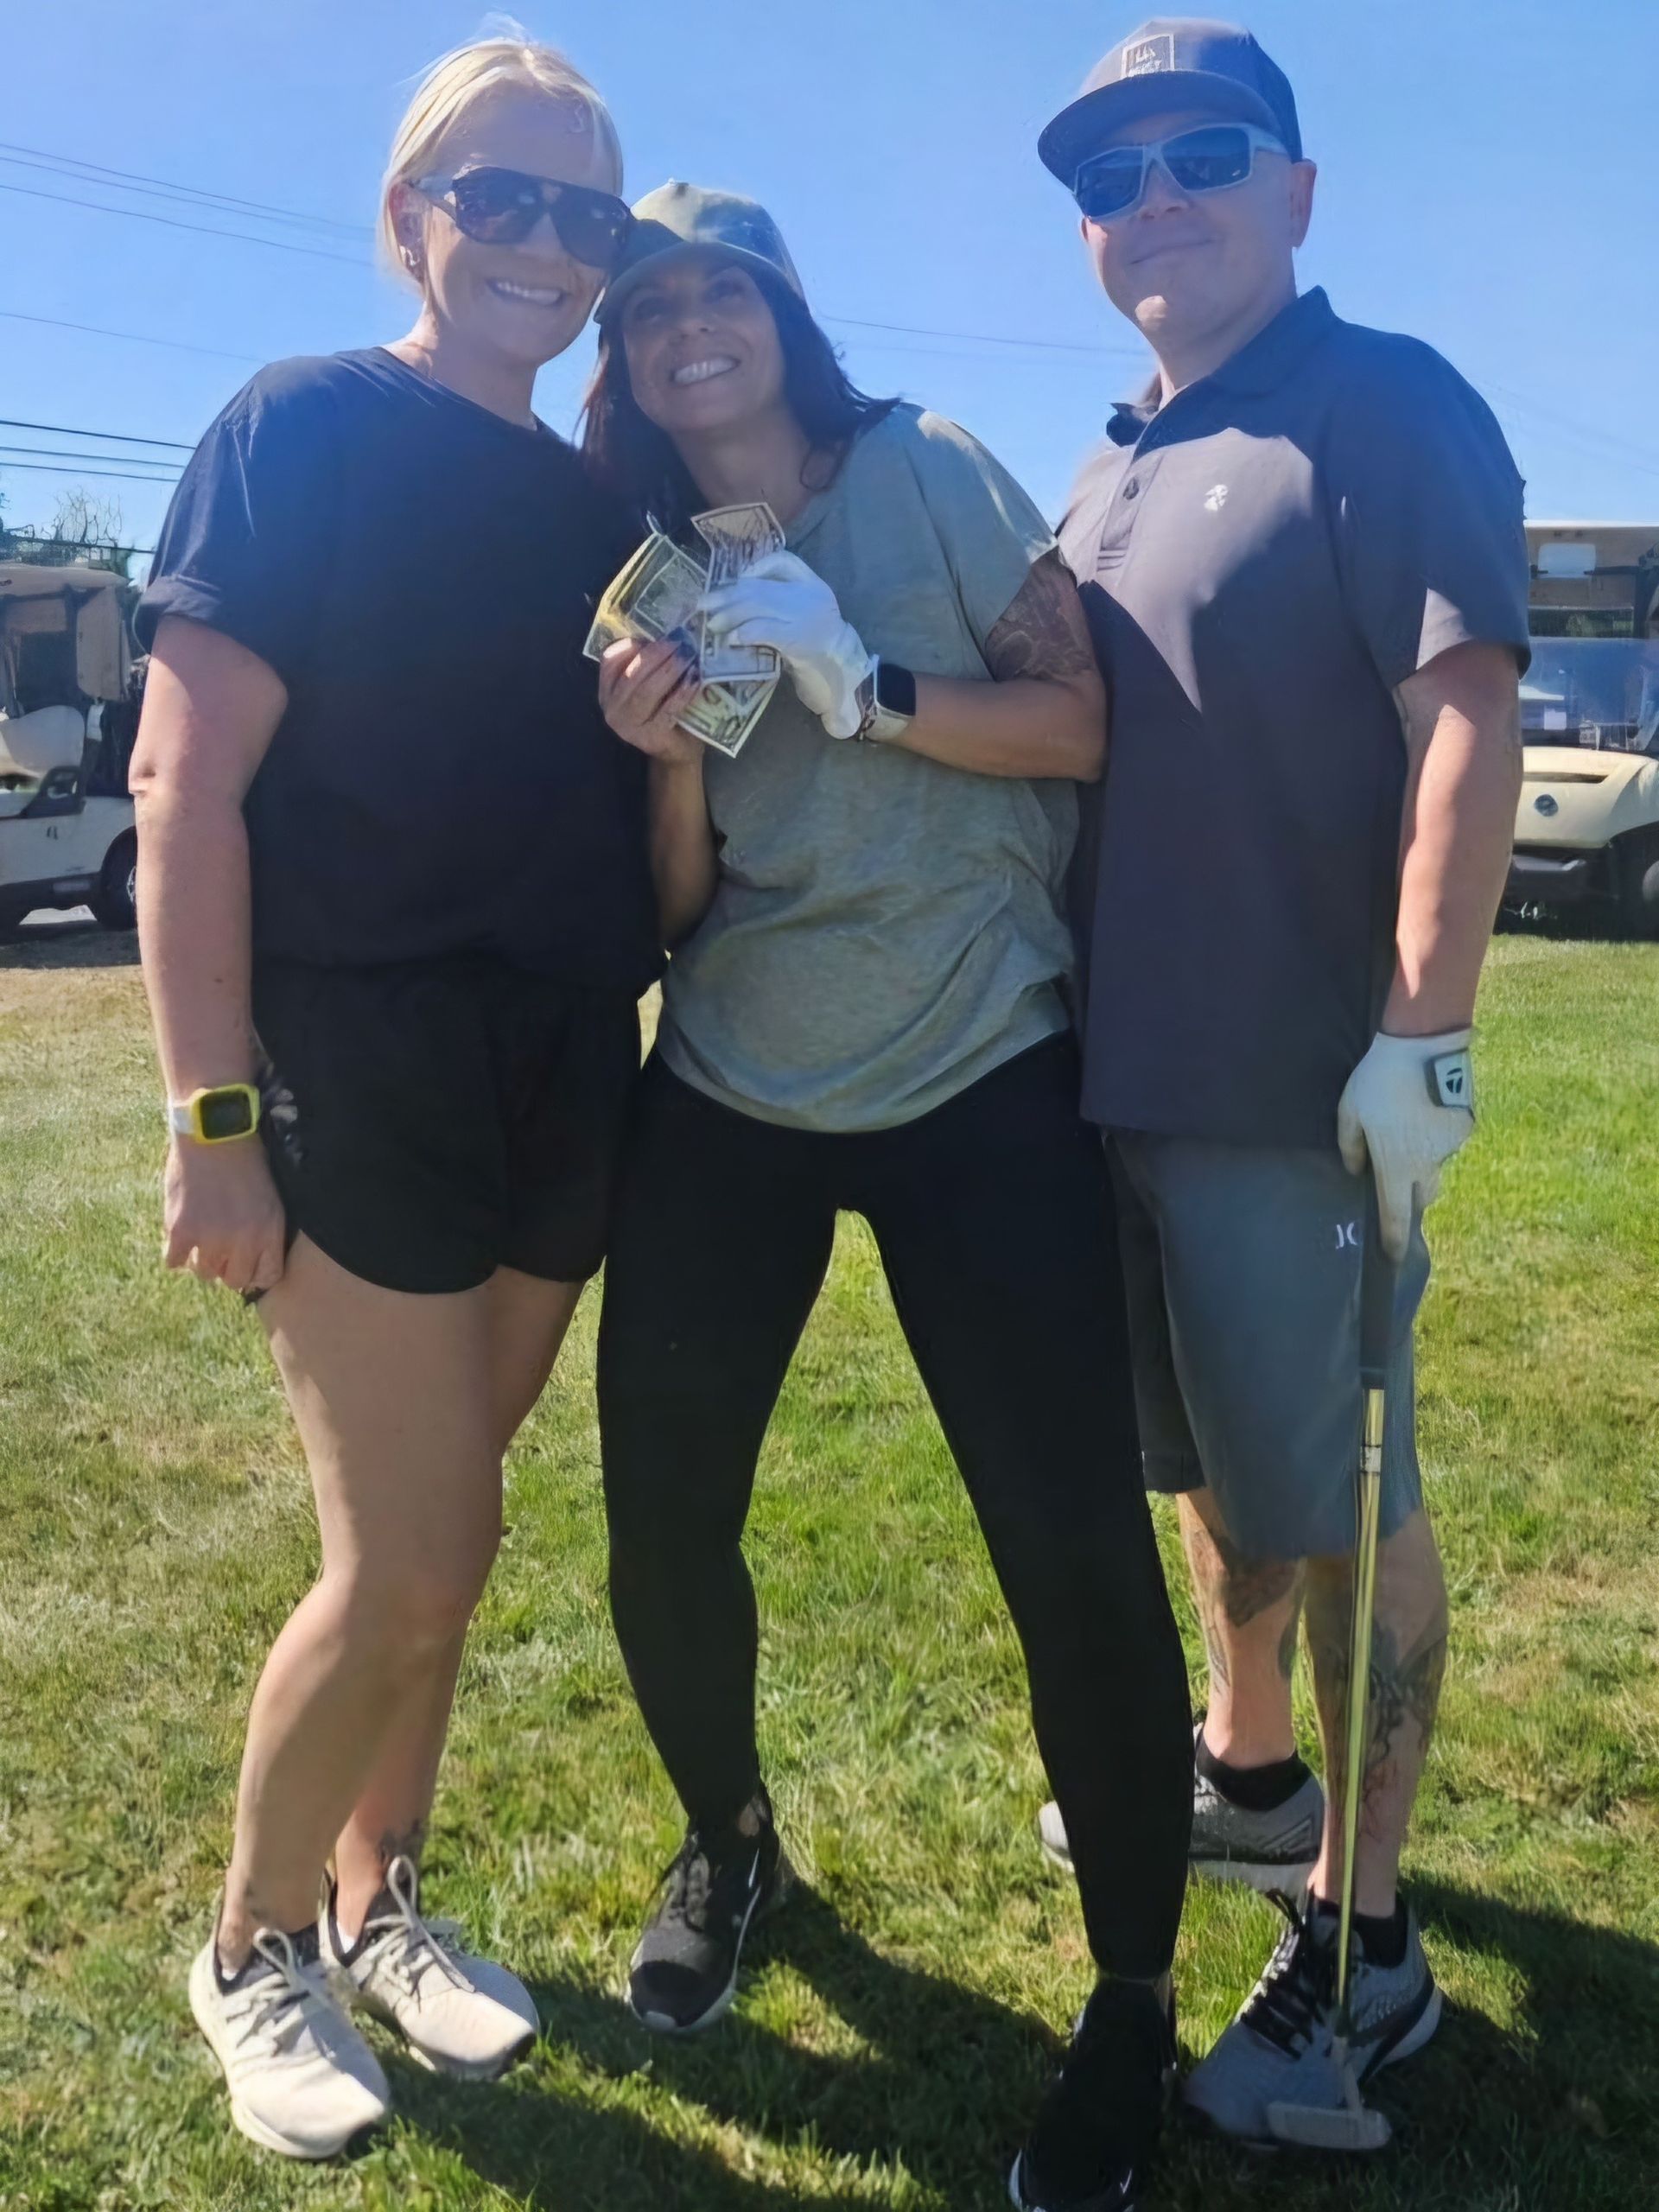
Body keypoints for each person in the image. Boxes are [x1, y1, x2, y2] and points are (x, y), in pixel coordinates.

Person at [583, 183, 1193, 2210]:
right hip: (738, 1076)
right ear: (627, 352)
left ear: (779, 314)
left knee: (1068, 1536)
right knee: (661, 1513)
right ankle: (730, 1837)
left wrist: (875, 688)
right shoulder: (645, 581)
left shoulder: (923, 469)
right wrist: (667, 758)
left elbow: (1087, 723)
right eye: (650, 304)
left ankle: (1127, 1991)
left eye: (720, 292)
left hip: (974, 1064)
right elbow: (677, 907)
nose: (689, 328)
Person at [129, 35, 655, 2160]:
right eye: (502, 199)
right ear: (411, 217)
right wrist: (211, 1115)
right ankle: (251, 1941)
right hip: (357, 1055)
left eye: (584, 217)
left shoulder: (599, 498)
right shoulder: (302, 427)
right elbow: (187, 786)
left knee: (457, 1534)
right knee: (410, 1551)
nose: (544, 245)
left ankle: (382, 1897)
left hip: (562, 1058)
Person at [1033, 17, 1529, 2147]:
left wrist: (1424, 1026)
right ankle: (1255, 1777)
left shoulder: (1381, 400)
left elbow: (1469, 715)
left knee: (1347, 1508)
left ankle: (1370, 1948)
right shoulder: (1114, 456)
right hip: (1117, 1088)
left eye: (1203, 154)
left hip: (1299, 1096)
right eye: (1112, 175)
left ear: (1298, 189)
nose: (1156, 198)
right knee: (1229, 1479)